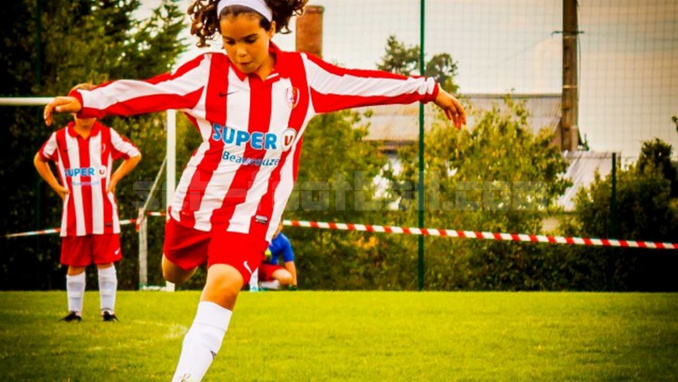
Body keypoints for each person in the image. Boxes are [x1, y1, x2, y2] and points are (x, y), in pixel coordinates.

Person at [43, 0, 466, 379]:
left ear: (270, 28)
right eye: (229, 42)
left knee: (225, 283)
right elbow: (151, 91)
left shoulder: (303, 77)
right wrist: (88, 100)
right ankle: (185, 258)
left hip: (254, 210)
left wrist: (431, 91)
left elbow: (365, 84)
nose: (240, 52)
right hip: (196, 202)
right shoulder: (207, 74)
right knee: (174, 272)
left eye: (249, 39)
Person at [36, 83, 141, 323]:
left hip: (103, 211)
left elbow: (134, 154)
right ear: (73, 110)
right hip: (74, 214)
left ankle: (108, 311)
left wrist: (114, 178)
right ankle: (75, 312)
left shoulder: (107, 135)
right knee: (75, 263)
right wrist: (57, 187)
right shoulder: (60, 137)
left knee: (105, 261)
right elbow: (40, 160)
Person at [257, 221, 297, 291]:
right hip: (254, 266)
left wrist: (294, 285)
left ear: (281, 226)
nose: (275, 228)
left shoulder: (284, 241)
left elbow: (289, 263)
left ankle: (263, 286)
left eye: (278, 225)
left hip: (271, 268)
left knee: (287, 278)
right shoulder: (258, 235)